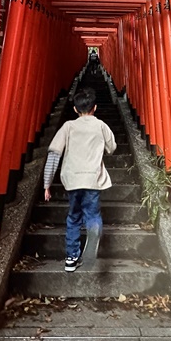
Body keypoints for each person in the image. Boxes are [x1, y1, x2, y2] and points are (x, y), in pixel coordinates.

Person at [43, 87, 117, 272]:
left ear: (75, 109)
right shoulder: (100, 125)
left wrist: (47, 184)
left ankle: (71, 257)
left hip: (72, 180)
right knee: (92, 214)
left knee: (74, 218)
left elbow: (54, 154)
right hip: (92, 179)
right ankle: (93, 229)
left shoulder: (68, 126)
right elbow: (112, 148)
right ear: (95, 108)